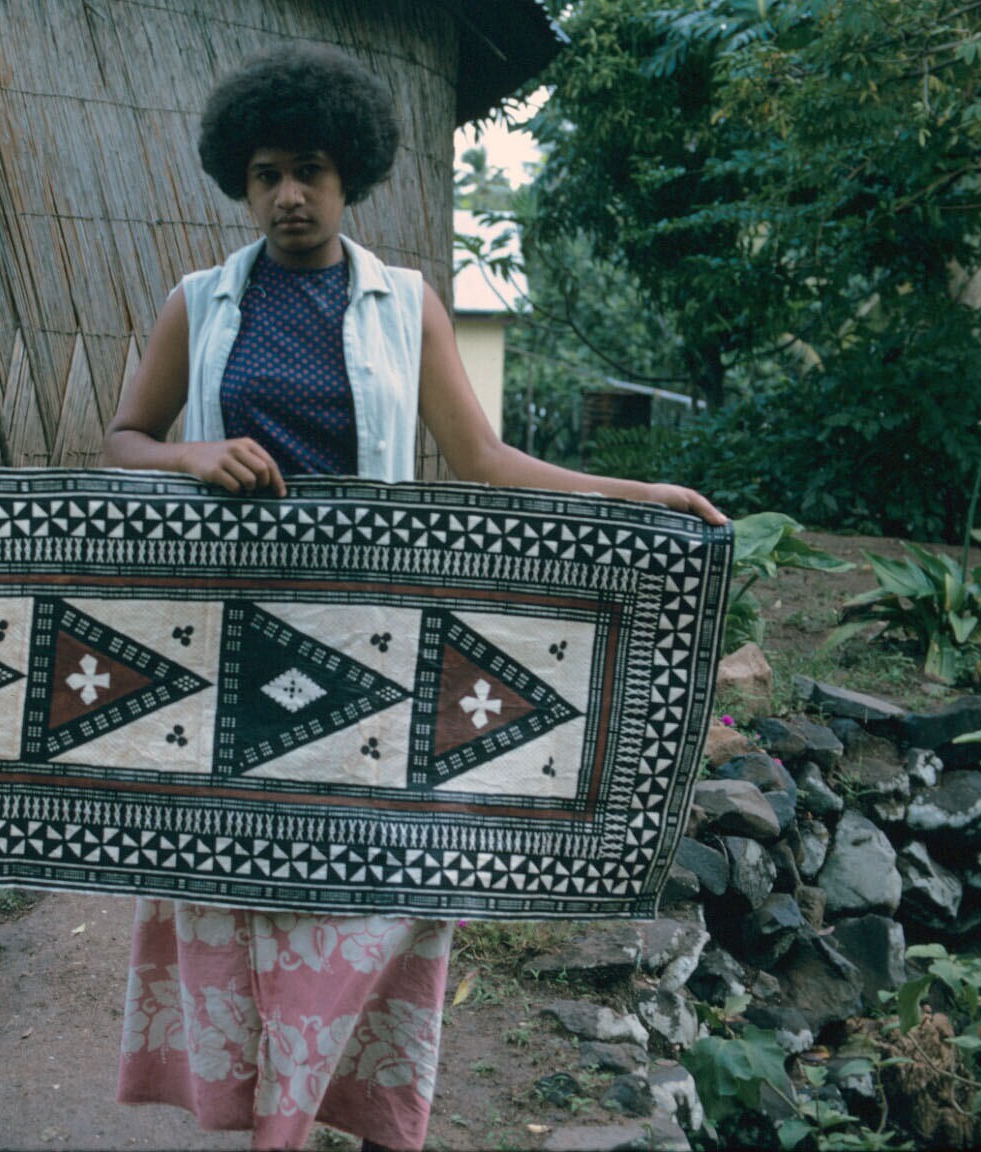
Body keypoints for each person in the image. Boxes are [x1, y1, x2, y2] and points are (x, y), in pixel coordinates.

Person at [104, 44, 725, 1152]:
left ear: (350, 176)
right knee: (238, 873)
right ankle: (260, 1107)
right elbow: (122, 441)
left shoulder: (406, 305)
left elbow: (481, 460)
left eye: (309, 172)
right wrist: (191, 455)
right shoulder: (198, 304)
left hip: (374, 647)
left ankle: (327, 1103)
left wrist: (636, 495)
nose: (288, 196)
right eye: (265, 175)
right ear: (240, 184)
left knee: (385, 881)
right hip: (232, 646)